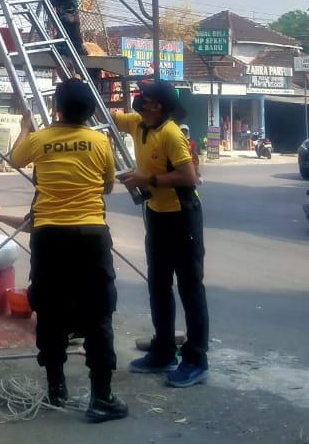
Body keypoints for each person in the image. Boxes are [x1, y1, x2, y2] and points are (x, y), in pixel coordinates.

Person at [8, 79, 127, 423]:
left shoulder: (41, 140)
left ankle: (56, 389)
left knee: (50, 310)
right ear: (90, 110)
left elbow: (16, 158)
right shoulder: (99, 141)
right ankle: (101, 398)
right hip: (91, 234)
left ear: (57, 109)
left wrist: (25, 127)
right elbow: (106, 185)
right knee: (99, 314)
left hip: (48, 237)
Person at [115, 79, 210, 389]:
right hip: (156, 216)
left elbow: (190, 177)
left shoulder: (171, 134)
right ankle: (164, 350)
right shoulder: (139, 125)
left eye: (148, 99)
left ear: (160, 105)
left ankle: (196, 359)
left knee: (189, 289)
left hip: (183, 218)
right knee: (158, 285)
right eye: (142, 98)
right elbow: (106, 116)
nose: (142, 103)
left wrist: (148, 179)